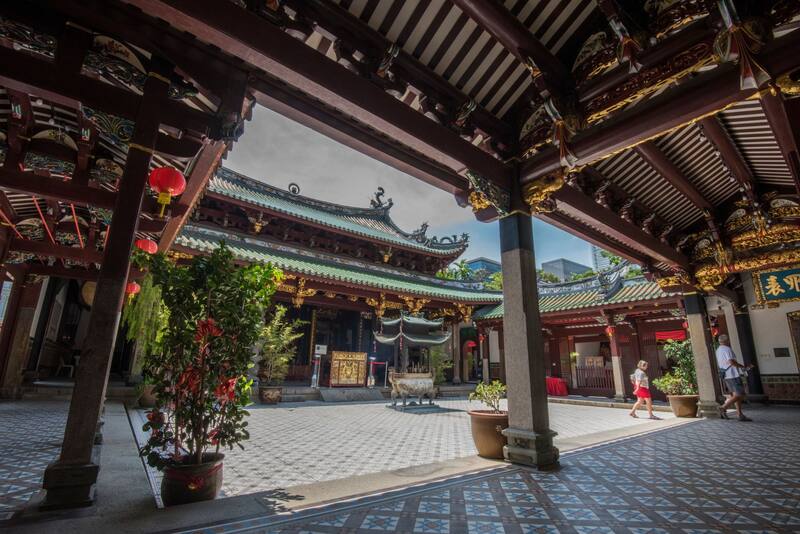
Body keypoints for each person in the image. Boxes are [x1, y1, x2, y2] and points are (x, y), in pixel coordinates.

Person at [716, 334, 754, 421]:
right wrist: (741, 366)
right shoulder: (727, 349)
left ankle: (740, 414)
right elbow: (731, 362)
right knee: (740, 394)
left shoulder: (718, 350)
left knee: (735, 394)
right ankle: (723, 407)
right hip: (732, 374)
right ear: (726, 341)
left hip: (726, 375)